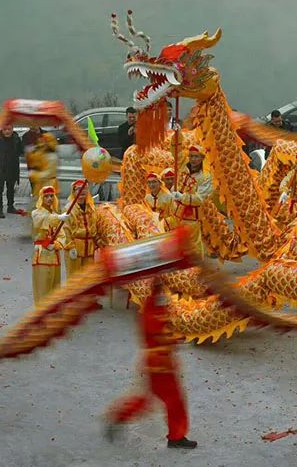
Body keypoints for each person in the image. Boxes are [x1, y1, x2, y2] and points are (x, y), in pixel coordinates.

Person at [105, 286, 197, 449]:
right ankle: (176, 437)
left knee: (150, 400)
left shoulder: (156, 301)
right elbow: (159, 334)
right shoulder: (152, 307)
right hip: (159, 363)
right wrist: (176, 336)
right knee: (172, 401)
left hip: (160, 361)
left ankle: (120, 416)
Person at [171, 144, 213, 254]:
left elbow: (200, 199)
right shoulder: (184, 166)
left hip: (191, 217)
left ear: (202, 158)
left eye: (196, 156)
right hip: (175, 213)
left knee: (193, 245)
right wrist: (178, 133)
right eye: (191, 156)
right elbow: (175, 150)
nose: (193, 159)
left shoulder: (206, 176)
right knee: (176, 243)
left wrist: (181, 196)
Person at [31, 186, 68, 306]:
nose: (49, 198)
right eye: (46, 196)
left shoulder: (56, 215)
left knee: (55, 288)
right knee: (42, 287)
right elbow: (43, 220)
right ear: (41, 198)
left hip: (54, 257)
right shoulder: (36, 213)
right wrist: (58, 218)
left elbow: (62, 235)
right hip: (42, 256)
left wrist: (57, 244)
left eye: (52, 196)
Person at [63, 179, 98, 278]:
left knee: (88, 279)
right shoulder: (69, 208)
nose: (82, 191)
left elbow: (95, 227)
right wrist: (71, 247)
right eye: (78, 189)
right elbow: (66, 230)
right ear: (73, 192)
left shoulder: (91, 207)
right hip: (75, 248)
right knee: (74, 278)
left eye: (85, 189)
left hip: (89, 249)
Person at [0, 124, 23, 218]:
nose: (7, 131)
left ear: (12, 129)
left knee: (11, 188)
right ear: (2, 130)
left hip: (12, 167)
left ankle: (10, 206)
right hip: (0, 168)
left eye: (9, 129)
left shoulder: (16, 138)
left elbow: (20, 151)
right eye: (5, 129)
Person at [27, 132, 60, 202]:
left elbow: (48, 173)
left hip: (49, 185)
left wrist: (35, 175)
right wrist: (30, 153)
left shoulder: (52, 157)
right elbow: (33, 162)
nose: (41, 143)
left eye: (44, 141)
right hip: (40, 185)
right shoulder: (41, 153)